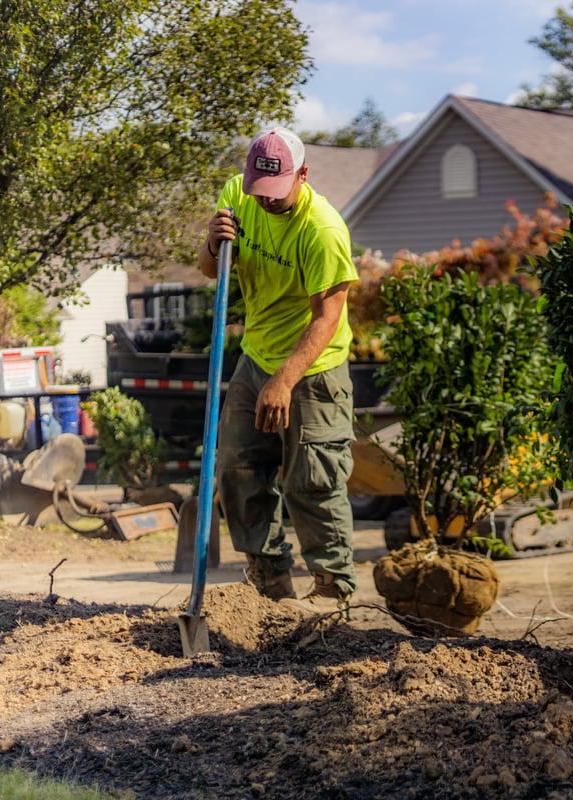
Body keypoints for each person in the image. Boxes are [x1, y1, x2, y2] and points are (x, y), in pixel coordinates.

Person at [198, 126, 359, 614]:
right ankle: (270, 585)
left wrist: (284, 381)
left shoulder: (322, 230)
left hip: (314, 371)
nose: (263, 201)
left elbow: (327, 318)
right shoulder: (238, 197)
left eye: (275, 191)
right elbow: (211, 270)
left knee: (311, 480)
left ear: (302, 175)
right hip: (256, 357)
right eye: (257, 190)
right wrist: (212, 242)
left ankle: (331, 592)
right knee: (236, 469)